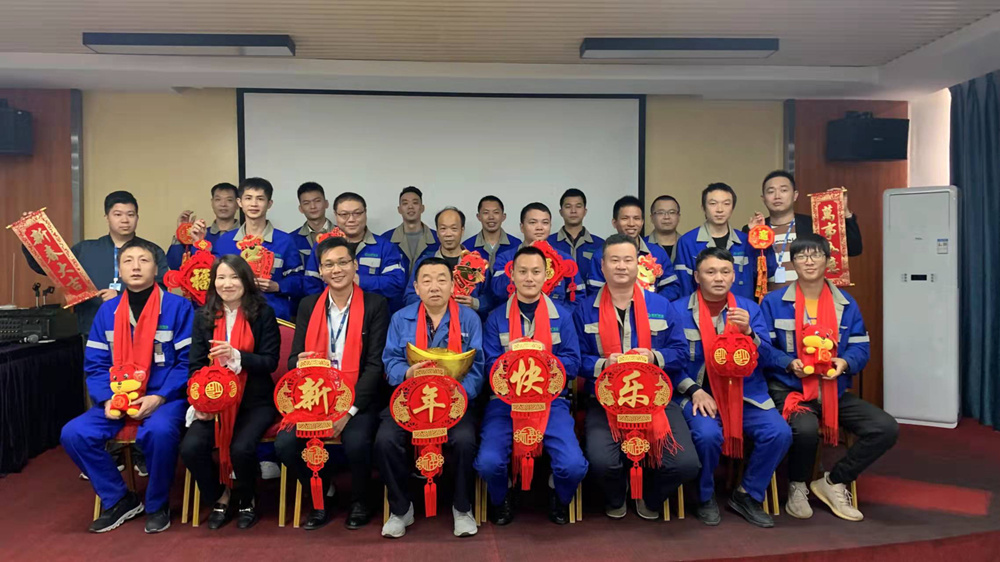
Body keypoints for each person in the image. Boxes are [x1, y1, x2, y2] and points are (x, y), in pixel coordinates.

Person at [60, 238, 193, 533]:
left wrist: (160, 397)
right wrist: (107, 399)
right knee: (74, 433)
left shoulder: (178, 307)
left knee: (159, 432)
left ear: (156, 269)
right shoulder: (107, 312)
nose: (135, 267)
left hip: (165, 398)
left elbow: (187, 363)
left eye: (143, 260)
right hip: (117, 397)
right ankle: (119, 498)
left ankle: (157, 504)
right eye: (128, 261)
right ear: (119, 270)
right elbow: (95, 365)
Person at [760, 234, 895, 522]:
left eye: (815, 255)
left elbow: (861, 347)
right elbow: (763, 348)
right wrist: (788, 363)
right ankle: (797, 485)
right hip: (791, 389)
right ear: (793, 263)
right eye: (801, 256)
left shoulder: (845, 303)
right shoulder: (773, 302)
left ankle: (834, 481)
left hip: (833, 389)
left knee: (885, 428)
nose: (809, 261)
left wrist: (844, 363)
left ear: (828, 261)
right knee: (805, 428)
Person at [575, 234, 700, 520]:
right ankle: (616, 495)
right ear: (602, 266)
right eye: (614, 260)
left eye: (628, 260)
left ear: (638, 264)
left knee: (685, 464)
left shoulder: (661, 305)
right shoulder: (584, 310)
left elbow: (681, 352)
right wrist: (604, 364)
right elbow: (576, 359)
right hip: (605, 400)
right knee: (601, 462)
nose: (621, 266)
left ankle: (651, 498)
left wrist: (654, 357)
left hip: (655, 399)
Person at [669, 247, 791, 528]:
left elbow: (768, 357)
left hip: (745, 393)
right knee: (707, 436)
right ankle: (704, 496)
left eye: (725, 272)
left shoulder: (749, 309)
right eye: (710, 272)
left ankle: (747, 494)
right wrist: (693, 390)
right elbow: (671, 362)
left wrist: (749, 333)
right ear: (697, 276)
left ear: (734, 276)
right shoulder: (677, 310)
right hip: (700, 395)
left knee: (779, 433)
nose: (718, 278)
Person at [276, 236, 390, 531]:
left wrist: (348, 411)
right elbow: (292, 360)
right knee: (285, 443)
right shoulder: (308, 305)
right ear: (321, 271)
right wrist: (300, 363)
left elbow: (375, 366)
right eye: (328, 265)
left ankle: (361, 500)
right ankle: (322, 492)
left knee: (357, 441)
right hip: (315, 397)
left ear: (355, 265)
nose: (336, 270)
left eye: (342, 262)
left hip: (358, 397)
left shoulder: (376, 305)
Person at [475, 246, 588, 526]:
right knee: (488, 463)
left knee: (573, 466)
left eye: (536, 272)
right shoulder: (496, 317)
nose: (529, 278)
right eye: (522, 271)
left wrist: (542, 358)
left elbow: (573, 362)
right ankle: (502, 496)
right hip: (504, 403)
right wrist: (510, 358)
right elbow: (489, 366)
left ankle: (557, 493)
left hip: (551, 401)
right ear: (512, 275)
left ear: (546, 275)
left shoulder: (562, 316)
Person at [376, 257, 485, 539]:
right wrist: (407, 374)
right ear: (416, 287)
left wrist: (456, 399)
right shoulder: (401, 318)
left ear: (452, 285)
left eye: (441, 280)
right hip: (410, 400)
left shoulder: (469, 319)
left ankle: (462, 508)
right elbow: (390, 361)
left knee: (465, 440)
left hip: (454, 402)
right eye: (426, 280)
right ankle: (401, 509)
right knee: (385, 440)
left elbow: (478, 368)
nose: (434, 287)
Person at [179, 255, 281, 530]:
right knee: (191, 447)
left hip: (254, 401)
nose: (227, 284)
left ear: (246, 280)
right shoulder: (203, 316)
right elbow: (195, 366)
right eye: (221, 277)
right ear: (213, 282)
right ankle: (220, 496)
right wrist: (200, 402)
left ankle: (247, 499)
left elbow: (270, 362)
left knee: (241, 448)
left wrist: (237, 356)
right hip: (214, 401)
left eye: (234, 277)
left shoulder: (263, 313)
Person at [22, 190, 168, 335]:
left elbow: (161, 290)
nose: (125, 220)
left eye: (130, 214)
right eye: (117, 214)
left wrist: (122, 296)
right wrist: (30, 236)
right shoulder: (85, 249)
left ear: (137, 217)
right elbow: (49, 267)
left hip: (138, 330)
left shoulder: (152, 251)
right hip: (91, 328)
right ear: (107, 217)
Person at [744, 171, 863, 291]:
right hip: (767, 299)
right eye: (770, 192)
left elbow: (854, 249)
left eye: (784, 190)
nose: (777, 196)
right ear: (763, 199)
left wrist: (845, 213)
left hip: (808, 297)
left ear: (795, 195)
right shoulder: (755, 229)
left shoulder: (813, 225)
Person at [212, 178, 304, 322]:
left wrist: (277, 286)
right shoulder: (225, 241)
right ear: (239, 202)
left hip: (274, 316)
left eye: (260, 199)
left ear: (269, 204)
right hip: (232, 317)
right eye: (248, 198)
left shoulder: (285, 241)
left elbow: (299, 281)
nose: (254, 204)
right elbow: (213, 279)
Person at [304, 192, 406, 307]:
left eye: (357, 213)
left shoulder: (385, 247)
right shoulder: (322, 245)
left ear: (365, 213)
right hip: (331, 311)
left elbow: (396, 283)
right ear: (336, 215)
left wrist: (359, 280)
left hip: (374, 313)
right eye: (344, 214)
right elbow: (310, 285)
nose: (351, 219)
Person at [674, 183, 775, 300]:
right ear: (703, 208)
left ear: (732, 208)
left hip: (740, 308)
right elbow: (684, 286)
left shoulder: (745, 241)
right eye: (713, 204)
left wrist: (760, 237)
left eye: (726, 204)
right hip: (702, 309)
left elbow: (768, 272)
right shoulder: (688, 242)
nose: (720, 209)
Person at [489, 203, 585, 311]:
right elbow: (497, 291)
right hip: (515, 316)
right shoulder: (506, 258)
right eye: (533, 222)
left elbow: (578, 298)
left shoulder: (564, 259)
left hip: (554, 318)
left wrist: (561, 316)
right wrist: (524, 258)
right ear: (522, 227)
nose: (539, 228)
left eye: (545, 223)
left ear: (550, 226)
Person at [588, 196, 679, 300]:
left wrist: (651, 303)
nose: (631, 224)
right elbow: (595, 292)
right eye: (625, 218)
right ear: (614, 222)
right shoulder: (601, 255)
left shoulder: (657, 253)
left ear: (642, 222)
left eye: (636, 218)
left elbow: (672, 288)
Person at [405, 207, 490, 314]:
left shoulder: (477, 263)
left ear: (462, 231)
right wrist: (431, 303)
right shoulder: (423, 263)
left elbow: (490, 298)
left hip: (466, 321)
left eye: (454, 229)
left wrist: (475, 303)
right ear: (437, 232)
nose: (448, 234)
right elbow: (409, 296)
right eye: (443, 229)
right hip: (430, 322)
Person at [166, 182, 241, 270]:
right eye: (218, 199)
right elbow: (175, 265)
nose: (223, 204)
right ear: (212, 203)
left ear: (238, 203)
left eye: (229, 200)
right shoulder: (199, 235)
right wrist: (182, 233)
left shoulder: (246, 236)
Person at [548, 188, 604, 287]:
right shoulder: (548, 243)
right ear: (561, 212)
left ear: (585, 211)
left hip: (592, 296)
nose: (573, 211)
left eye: (578, 206)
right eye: (568, 206)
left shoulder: (600, 245)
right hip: (557, 296)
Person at [382, 186, 438, 279]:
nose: (410, 207)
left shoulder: (437, 238)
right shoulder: (386, 239)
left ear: (422, 208)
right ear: (399, 209)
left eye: (415, 203)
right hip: (396, 288)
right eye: (405, 203)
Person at [463, 195, 521, 270]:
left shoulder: (516, 245)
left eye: (496, 212)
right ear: (478, 216)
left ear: (503, 216)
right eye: (486, 213)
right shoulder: (467, 246)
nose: (491, 217)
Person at [291, 181, 335, 265]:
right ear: (301, 208)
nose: (313, 206)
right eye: (306, 203)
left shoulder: (342, 234)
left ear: (326, 204)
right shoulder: (291, 239)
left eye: (317, 201)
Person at [647, 195, 682, 263]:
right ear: (652, 218)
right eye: (661, 213)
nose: (666, 217)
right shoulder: (642, 245)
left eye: (672, 212)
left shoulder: (687, 245)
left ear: (678, 217)